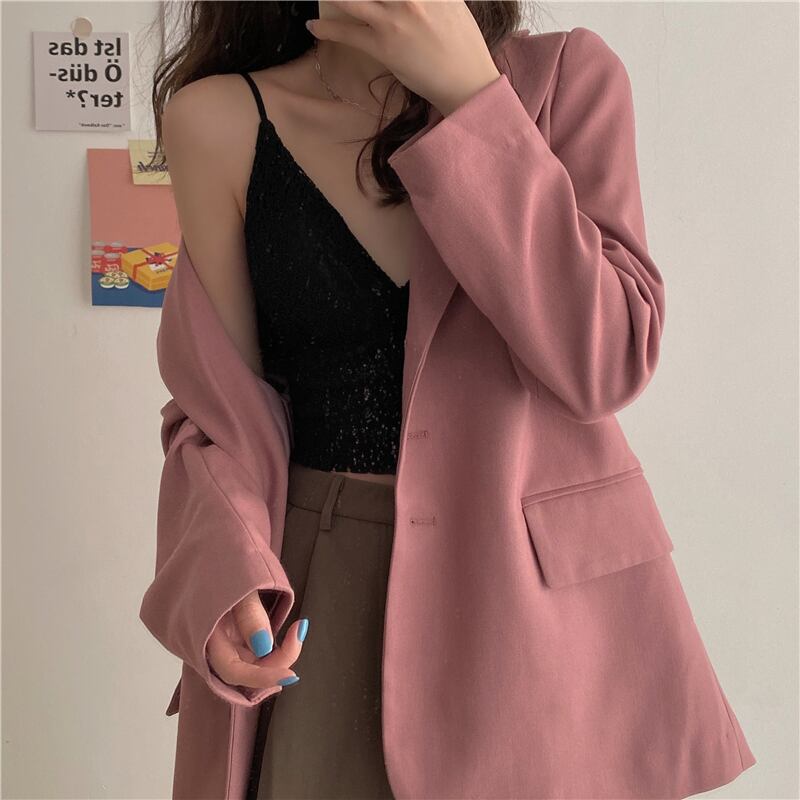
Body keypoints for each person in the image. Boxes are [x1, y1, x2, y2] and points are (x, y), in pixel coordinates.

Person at [146, 2, 756, 798]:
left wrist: (473, 99)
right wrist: (225, 566)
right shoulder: (218, 120)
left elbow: (605, 362)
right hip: (319, 594)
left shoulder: (566, 80)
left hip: (538, 621)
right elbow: (221, 412)